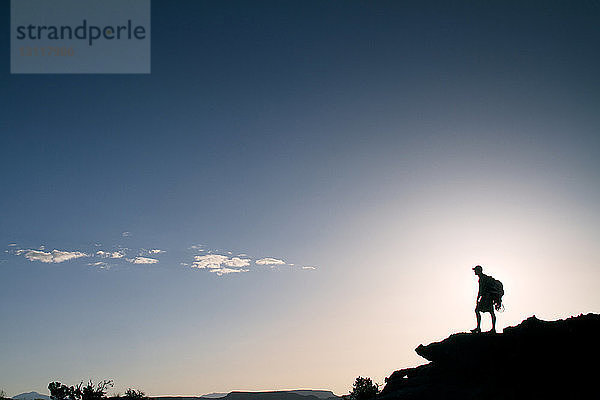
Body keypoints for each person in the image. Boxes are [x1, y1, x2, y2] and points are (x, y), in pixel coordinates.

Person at [471, 265, 500, 333]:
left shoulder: (482, 279)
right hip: (488, 297)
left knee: (478, 310)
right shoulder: (484, 278)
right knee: (491, 312)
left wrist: (478, 298)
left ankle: (479, 328)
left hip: (486, 297)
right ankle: (493, 328)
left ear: (479, 271)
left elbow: (481, 290)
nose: (475, 271)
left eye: (475, 270)